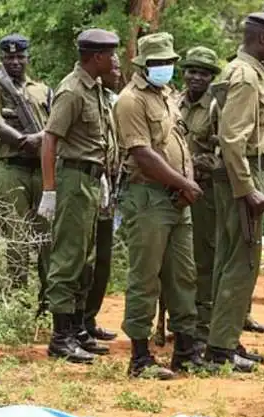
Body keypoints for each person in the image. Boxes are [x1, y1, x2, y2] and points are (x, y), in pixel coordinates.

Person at [114, 32, 205, 379]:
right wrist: (183, 183)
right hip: (148, 197)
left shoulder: (168, 96)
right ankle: (139, 358)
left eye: (169, 62)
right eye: (158, 63)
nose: (165, 68)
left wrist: (186, 183)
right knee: (145, 277)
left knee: (183, 275)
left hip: (177, 199)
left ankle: (185, 350)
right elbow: (142, 154)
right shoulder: (130, 101)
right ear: (143, 65)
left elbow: (180, 143)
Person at [37, 29, 120, 365]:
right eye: (110, 54)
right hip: (72, 179)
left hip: (89, 177)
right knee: (67, 258)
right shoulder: (72, 90)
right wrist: (49, 190)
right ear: (96, 57)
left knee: (83, 257)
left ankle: (76, 331)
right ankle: (60, 337)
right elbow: (50, 140)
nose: (115, 60)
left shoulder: (95, 88)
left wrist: (99, 177)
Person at [206, 12, 264, 372]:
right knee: (241, 261)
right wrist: (248, 188)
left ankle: (226, 338)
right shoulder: (246, 77)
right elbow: (232, 138)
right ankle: (221, 348)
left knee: (232, 258)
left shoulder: (243, 72)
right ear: (261, 40)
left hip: (242, 169)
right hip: (243, 170)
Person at [0, 34, 53, 316]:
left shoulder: (43, 90)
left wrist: (41, 140)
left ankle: (49, 302)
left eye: (19, 57)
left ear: (28, 58)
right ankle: (18, 302)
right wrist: (26, 140)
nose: (14, 62)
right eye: (8, 57)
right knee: (16, 235)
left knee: (47, 237)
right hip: (11, 169)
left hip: (42, 170)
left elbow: (53, 126)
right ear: (1, 59)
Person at [178, 46, 222, 351]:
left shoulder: (217, 107)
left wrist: (195, 162)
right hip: (173, 190)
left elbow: (224, 154)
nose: (196, 78)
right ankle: (179, 322)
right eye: (192, 71)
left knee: (204, 259)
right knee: (177, 261)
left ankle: (203, 325)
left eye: (203, 73)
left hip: (205, 191)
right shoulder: (172, 101)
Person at [82, 54, 123, 344]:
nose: (117, 71)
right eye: (114, 66)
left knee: (104, 257)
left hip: (111, 186)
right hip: (90, 183)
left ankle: (90, 318)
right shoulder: (85, 96)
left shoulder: (116, 101)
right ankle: (77, 322)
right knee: (86, 257)